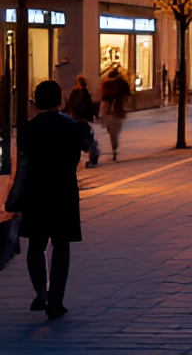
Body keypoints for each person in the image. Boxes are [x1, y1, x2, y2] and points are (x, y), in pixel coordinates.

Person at [15, 80, 90, 319]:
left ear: (36, 101)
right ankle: (56, 300)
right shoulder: (74, 127)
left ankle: (40, 293)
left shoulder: (27, 129)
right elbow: (89, 152)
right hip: (64, 192)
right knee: (61, 246)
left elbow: (24, 165)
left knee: (36, 245)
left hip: (36, 193)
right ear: (60, 99)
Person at [64, 75, 100, 167]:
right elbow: (89, 106)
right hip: (82, 120)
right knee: (87, 139)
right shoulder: (85, 93)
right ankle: (93, 156)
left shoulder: (76, 93)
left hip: (76, 120)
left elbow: (70, 105)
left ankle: (91, 154)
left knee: (81, 139)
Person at [99, 66, 131, 161]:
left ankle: (114, 148)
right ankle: (114, 148)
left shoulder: (106, 83)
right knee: (115, 132)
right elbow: (127, 95)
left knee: (111, 130)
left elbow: (103, 97)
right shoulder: (122, 83)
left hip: (107, 109)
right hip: (117, 109)